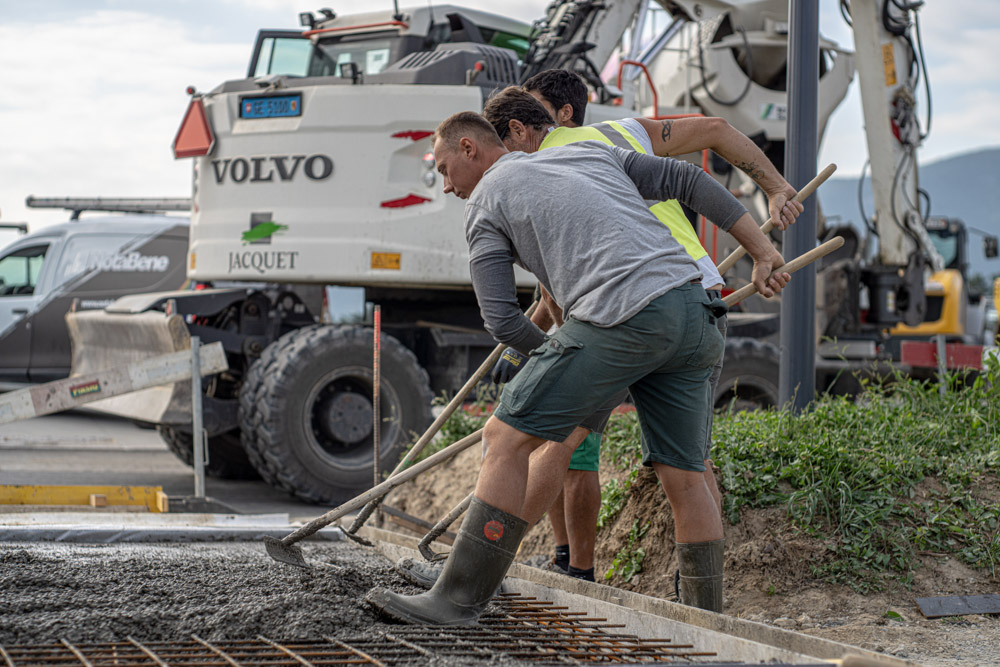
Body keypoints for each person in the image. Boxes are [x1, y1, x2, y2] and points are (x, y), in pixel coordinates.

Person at [366, 108, 797, 625]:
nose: (444, 185)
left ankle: (456, 599)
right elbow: (687, 178)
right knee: (684, 474)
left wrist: (553, 357)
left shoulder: (485, 200)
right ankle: (708, 625)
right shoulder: (587, 151)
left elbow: (501, 318)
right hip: (695, 311)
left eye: (441, 169)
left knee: (504, 439)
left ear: (468, 149)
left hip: (622, 314)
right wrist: (763, 249)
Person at [490, 72, 801, 582]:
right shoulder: (623, 133)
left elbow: (555, 288)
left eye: (529, 109)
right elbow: (718, 128)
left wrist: (541, 346)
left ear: (549, 118)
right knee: (689, 464)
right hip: (695, 293)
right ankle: (700, 593)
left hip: (623, 306)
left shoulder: (536, 164)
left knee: (556, 439)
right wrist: (776, 188)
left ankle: (487, 568)